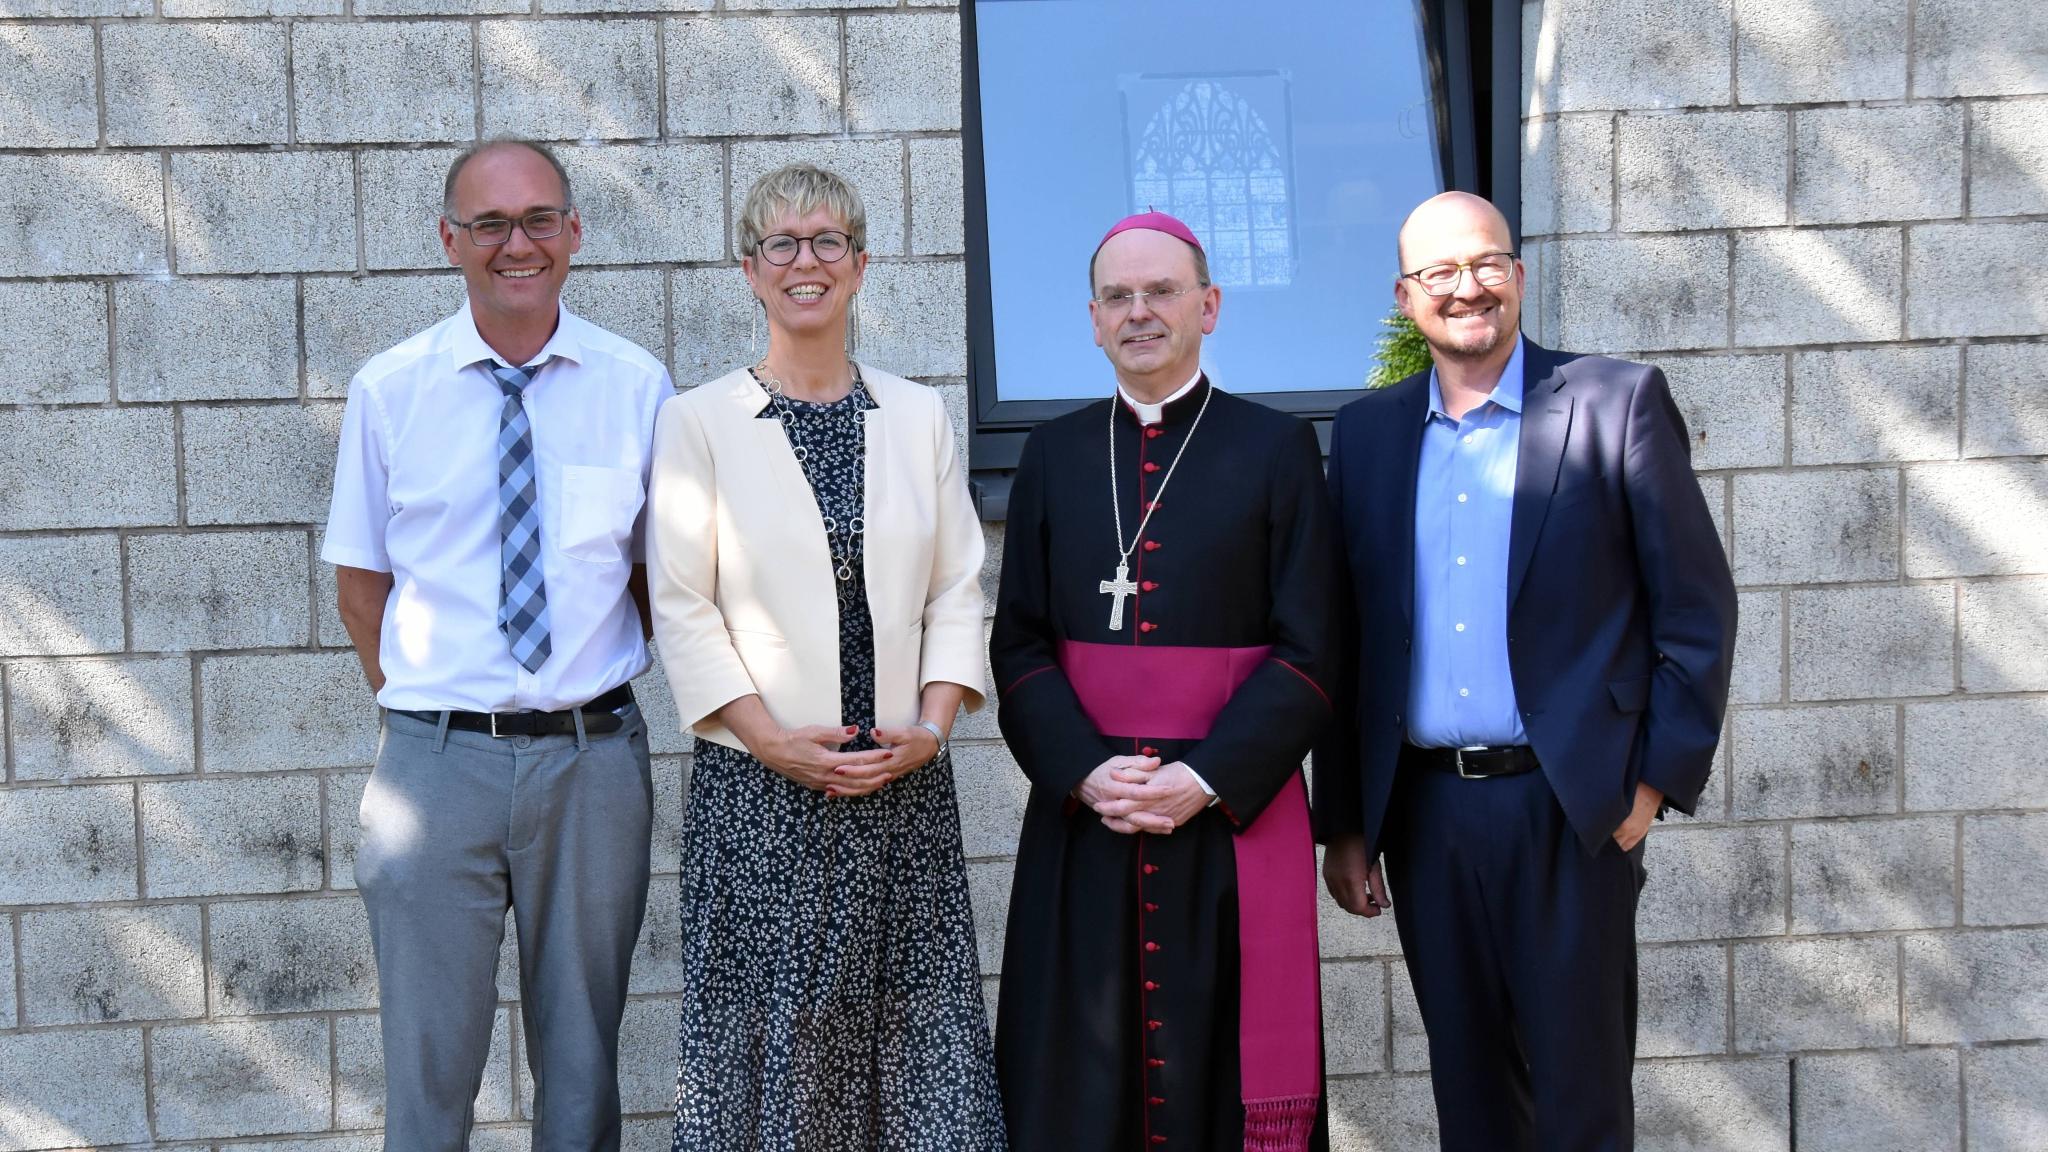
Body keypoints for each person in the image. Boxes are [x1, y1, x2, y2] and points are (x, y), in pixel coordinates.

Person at [1316, 191, 1738, 1151]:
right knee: (1472, 1099)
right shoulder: (1370, 435)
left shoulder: (1614, 401)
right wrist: (1345, 824)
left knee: (1580, 1102)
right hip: (1425, 816)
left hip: (1570, 810)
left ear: (1517, 271)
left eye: (1486, 264)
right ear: (1405, 296)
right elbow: (1349, 643)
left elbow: (1696, 611)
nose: (1467, 288)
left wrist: (1649, 787)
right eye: (1440, 273)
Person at [646, 163, 1003, 1150]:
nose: (805, 261)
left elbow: (952, 587)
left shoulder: (918, 415)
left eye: (827, 242)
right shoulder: (697, 423)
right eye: (781, 244)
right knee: (776, 1043)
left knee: (908, 1036)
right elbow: (682, 604)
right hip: (760, 793)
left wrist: (931, 731)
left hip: (899, 785)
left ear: (860, 265)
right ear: (749, 270)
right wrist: (769, 742)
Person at [323, 137, 669, 1150]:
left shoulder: (634, 385)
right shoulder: (393, 390)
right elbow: (359, 588)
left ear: (572, 233)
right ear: (449, 241)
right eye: (489, 225)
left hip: (591, 762)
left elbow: (657, 578)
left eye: (538, 220)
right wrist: (438, 718)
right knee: (429, 1070)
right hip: (433, 771)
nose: (516, 244)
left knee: (580, 1070)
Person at [990, 211, 1341, 1152]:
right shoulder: (1053, 456)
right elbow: (1019, 645)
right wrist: (1085, 771)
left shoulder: (1275, 449)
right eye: (1118, 297)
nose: (1138, 312)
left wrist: (1204, 779)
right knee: (1077, 1079)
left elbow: (1312, 650)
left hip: (1225, 820)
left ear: (1209, 306)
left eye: (1161, 292)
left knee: (1220, 1073)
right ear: (1093, 320)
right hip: (1088, 820)